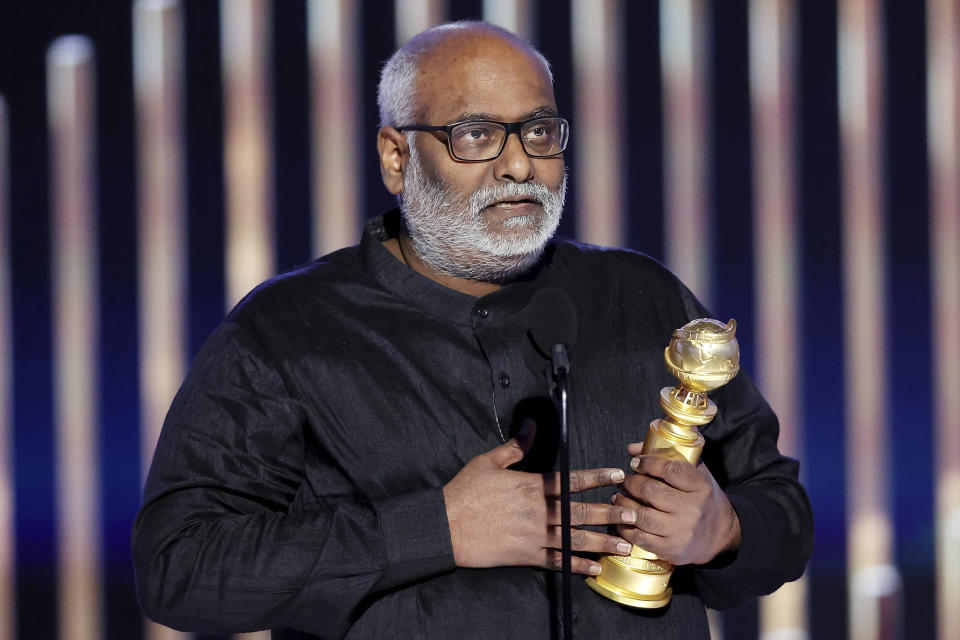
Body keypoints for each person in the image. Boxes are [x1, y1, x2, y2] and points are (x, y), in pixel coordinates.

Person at [132, 21, 812, 640]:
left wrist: (723, 529)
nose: (519, 165)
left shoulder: (643, 297)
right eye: (476, 134)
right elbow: (179, 570)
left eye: (540, 132)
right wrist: (434, 530)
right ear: (397, 157)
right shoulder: (286, 332)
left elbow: (781, 508)